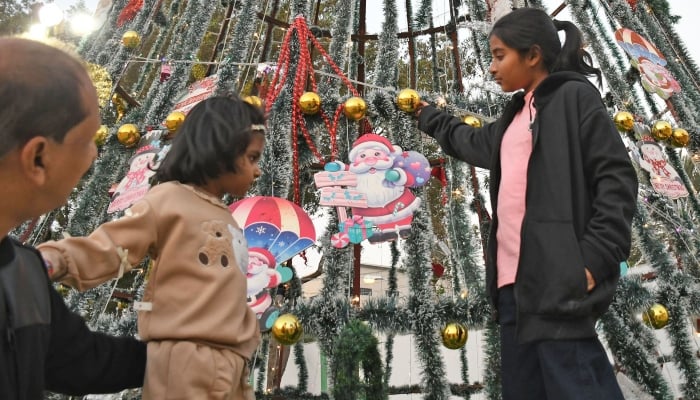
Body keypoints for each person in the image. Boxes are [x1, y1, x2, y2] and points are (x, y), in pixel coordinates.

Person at [414, 8, 638, 400]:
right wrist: (431, 117)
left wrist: (594, 259)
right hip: (511, 287)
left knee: (578, 387)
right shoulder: (513, 117)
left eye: (500, 55)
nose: (492, 67)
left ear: (533, 55)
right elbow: (472, 142)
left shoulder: (575, 98)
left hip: (559, 278)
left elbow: (617, 180)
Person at [38, 95, 265, 399]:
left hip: (232, 363)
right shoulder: (169, 199)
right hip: (185, 360)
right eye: (252, 158)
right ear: (221, 149)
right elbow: (115, 245)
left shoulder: (228, 219)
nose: (258, 171)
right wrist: (55, 260)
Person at [0, 37, 146, 398]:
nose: (95, 155)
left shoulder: (23, 272)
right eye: (87, 139)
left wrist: (187, 357)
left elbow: (80, 362)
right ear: (38, 158)